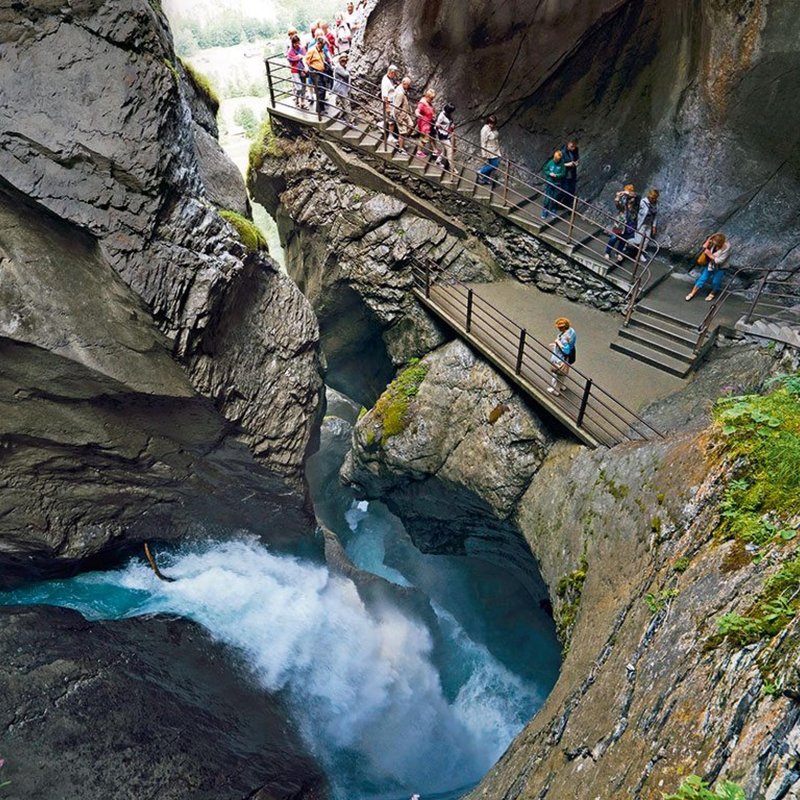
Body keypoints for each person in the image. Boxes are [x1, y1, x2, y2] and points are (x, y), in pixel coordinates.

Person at [685, 233, 731, 301]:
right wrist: (709, 240)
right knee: (702, 278)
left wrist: (709, 255)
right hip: (710, 265)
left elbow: (719, 261)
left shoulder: (726, 248)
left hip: (720, 267)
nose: (715, 245)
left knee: (716, 281)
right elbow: (704, 246)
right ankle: (692, 293)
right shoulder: (712, 242)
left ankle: (713, 293)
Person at [604, 184, 639, 262]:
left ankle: (619, 253)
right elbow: (618, 205)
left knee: (623, 239)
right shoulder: (624, 200)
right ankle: (607, 252)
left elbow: (635, 195)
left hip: (629, 223)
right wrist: (618, 197)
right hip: (620, 222)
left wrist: (625, 192)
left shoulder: (634, 199)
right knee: (614, 238)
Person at [624, 188, 659, 259]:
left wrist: (654, 226)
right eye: (653, 198)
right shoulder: (643, 202)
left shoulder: (656, 204)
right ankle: (626, 242)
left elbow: (655, 215)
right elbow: (635, 210)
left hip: (648, 224)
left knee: (646, 241)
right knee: (638, 240)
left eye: (655, 198)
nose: (654, 200)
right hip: (641, 223)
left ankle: (640, 254)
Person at [304, 34, 333, 115]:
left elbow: (322, 59)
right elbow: (306, 60)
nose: (323, 47)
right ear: (319, 43)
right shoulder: (312, 50)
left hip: (321, 71)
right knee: (320, 90)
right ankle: (319, 110)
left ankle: (322, 108)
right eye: (323, 45)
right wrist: (306, 67)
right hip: (314, 72)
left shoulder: (321, 50)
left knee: (323, 89)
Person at [547, 317, 576, 396]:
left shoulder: (563, 338)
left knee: (557, 373)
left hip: (561, 357)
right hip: (569, 357)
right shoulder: (572, 331)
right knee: (564, 371)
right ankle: (562, 386)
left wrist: (558, 343)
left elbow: (566, 350)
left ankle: (555, 390)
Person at [541, 150, 565, 219]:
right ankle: (545, 210)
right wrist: (549, 173)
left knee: (555, 197)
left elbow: (563, 173)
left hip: (557, 183)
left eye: (557, 159)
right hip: (550, 182)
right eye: (555, 159)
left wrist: (557, 175)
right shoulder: (551, 162)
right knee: (547, 197)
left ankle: (553, 209)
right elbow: (545, 169)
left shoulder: (562, 164)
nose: (556, 160)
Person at [477, 114, 500, 185]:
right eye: (490, 123)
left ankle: (485, 179)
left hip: (495, 150)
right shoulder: (485, 129)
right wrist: (484, 154)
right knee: (494, 165)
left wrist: (499, 152)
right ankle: (481, 171)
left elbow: (496, 140)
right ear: (488, 122)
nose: (491, 125)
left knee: (491, 165)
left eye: (493, 123)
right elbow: (483, 142)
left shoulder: (494, 128)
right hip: (489, 150)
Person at [392, 76, 413, 151]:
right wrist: (399, 118)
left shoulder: (403, 89)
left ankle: (401, 142)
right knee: (402, 131)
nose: (409, 86)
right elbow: (396, 107)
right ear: (404, 84)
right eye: (408, 84)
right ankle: (400, 148)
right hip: (400, 114)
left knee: (411, 125)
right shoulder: (400, 93)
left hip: (404, 113)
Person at [286, 35, 307, 109]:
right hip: (295, 70)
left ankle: (302, 102)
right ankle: (297, 97)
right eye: (296, 43)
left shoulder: (301, 49)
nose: (297, 45)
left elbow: (305, 57)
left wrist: (304, 67)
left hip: (302, 69)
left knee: (304, 86)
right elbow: (290, 59)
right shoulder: (290, 51)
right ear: (293, 43)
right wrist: (298, 57)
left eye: (298, 43)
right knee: (299, 87)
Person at [415, 88, 436, 159]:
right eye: (431, 98)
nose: (432, 100)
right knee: (424, 138)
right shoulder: (422, 103)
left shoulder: (428, 102)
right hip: (424, 124)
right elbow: (417, 110)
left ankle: (434, 149)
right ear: (427, 97)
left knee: (430, 136)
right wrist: (418, 114)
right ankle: (419, 152)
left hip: (428, 122)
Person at [435, 102, 456, 172]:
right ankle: (452, 168)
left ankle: (438, 161)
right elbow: (437, 124)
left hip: (447, 134)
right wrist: (439, 127)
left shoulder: (448, 114)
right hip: (442, 135)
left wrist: (452, 126)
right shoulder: (441, 116)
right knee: (450, 150)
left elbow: (450, 122)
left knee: (444, 150)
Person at [332, 54, 352, 123]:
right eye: (343, 61)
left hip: (344, 88)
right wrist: (349, 71)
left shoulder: (343, 67)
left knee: (342, 103)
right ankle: (350, 119)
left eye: (345, 61)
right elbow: (346, 75)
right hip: (340, 88)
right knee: (346, 103)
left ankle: (340, 116)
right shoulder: (338, 68)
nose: (344, 63)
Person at [381, 64, 399, 141]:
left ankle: (381, 125)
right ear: (391, 72)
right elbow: (385, 95)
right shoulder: (385, 81)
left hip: (392, 101)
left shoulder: (389, 79)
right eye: (394, 74)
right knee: (391, 121)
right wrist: (387, 106)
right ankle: (390, 136)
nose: (395, 75)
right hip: (389, 102)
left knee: (390, 119)